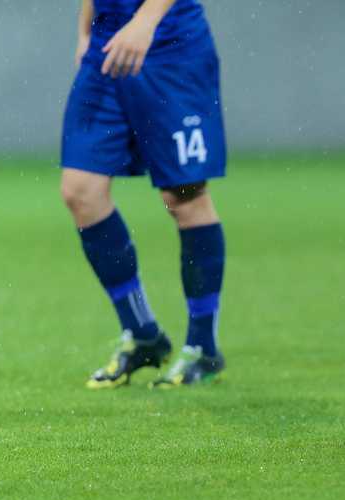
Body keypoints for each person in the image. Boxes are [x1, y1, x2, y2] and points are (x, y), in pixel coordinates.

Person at [61, 0, 227, 389]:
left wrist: (146, 20)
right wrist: (85, 31)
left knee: (184, 196)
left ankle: (203, 348)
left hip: (171, 46)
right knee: (80, 192)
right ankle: (142, 334)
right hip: (108, 44)